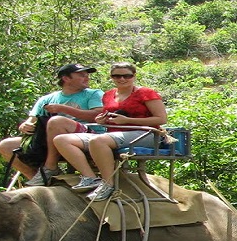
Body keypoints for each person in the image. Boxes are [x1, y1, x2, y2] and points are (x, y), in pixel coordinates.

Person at [52, 63, 166, 202]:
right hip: (113, 134)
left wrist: (128, 120)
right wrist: (101, 120)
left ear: (134, 76)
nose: (122, 79)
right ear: (111, 77)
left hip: (145, 133)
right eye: (117, 76)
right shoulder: (108, 94)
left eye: (127, 76)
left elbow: (161, 118)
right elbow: (108, 117)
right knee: (61, 139)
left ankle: (108, 184)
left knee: (98, 141)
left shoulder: (146, 93)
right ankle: (90, 178)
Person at [0, 63, 105, 186]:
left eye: (87, 75)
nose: (87, 78)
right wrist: (26, 125)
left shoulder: (94, 94)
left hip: (88, 136)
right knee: (6, 146)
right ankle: (42, 181)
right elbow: (31, 120)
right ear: (66, 78)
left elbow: (97, 115)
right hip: (50, 140)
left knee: (56, 121)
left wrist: (63, 109)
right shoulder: (47, 99)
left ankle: (50, 167)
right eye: (81, 75)